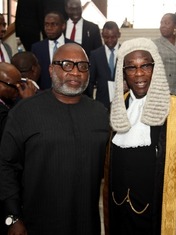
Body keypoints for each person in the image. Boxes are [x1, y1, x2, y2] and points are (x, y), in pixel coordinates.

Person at [103, 37, 176, 235]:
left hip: (157, 218)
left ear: (157, 68)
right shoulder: (117, 107)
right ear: (123, 73)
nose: (139, 74)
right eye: (131, 67)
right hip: (121, 215)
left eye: (145, 65)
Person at [0, 43, 109, 235]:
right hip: (37, 223)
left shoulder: (100, 113)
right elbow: (5, 166)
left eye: (82, 66)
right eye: (67, 64)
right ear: (51, 70)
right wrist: (13, 217)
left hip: (87, 223)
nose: (75, 72)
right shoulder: (24, 112)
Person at [0, 62, 37, 235]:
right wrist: (29, 103)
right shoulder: (3, 115)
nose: (17, 89)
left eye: (19, 83)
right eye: (12, 86)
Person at [31, 11, 74, 90]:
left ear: (63, 26)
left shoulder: (74, 46)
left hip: (69, 92)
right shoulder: (37, 48)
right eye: (46, 24)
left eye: (54, 24)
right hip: (44, 94)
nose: (49, 28)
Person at [87, 21, 121, 110]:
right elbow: (90, 81)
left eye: (113, 37)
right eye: (106, 37)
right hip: (101, 103)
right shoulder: (95, 55)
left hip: (121, 101)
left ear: (119, 35)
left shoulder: (125, 52)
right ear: (102, 35)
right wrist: (89, 101)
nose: (109, 40)